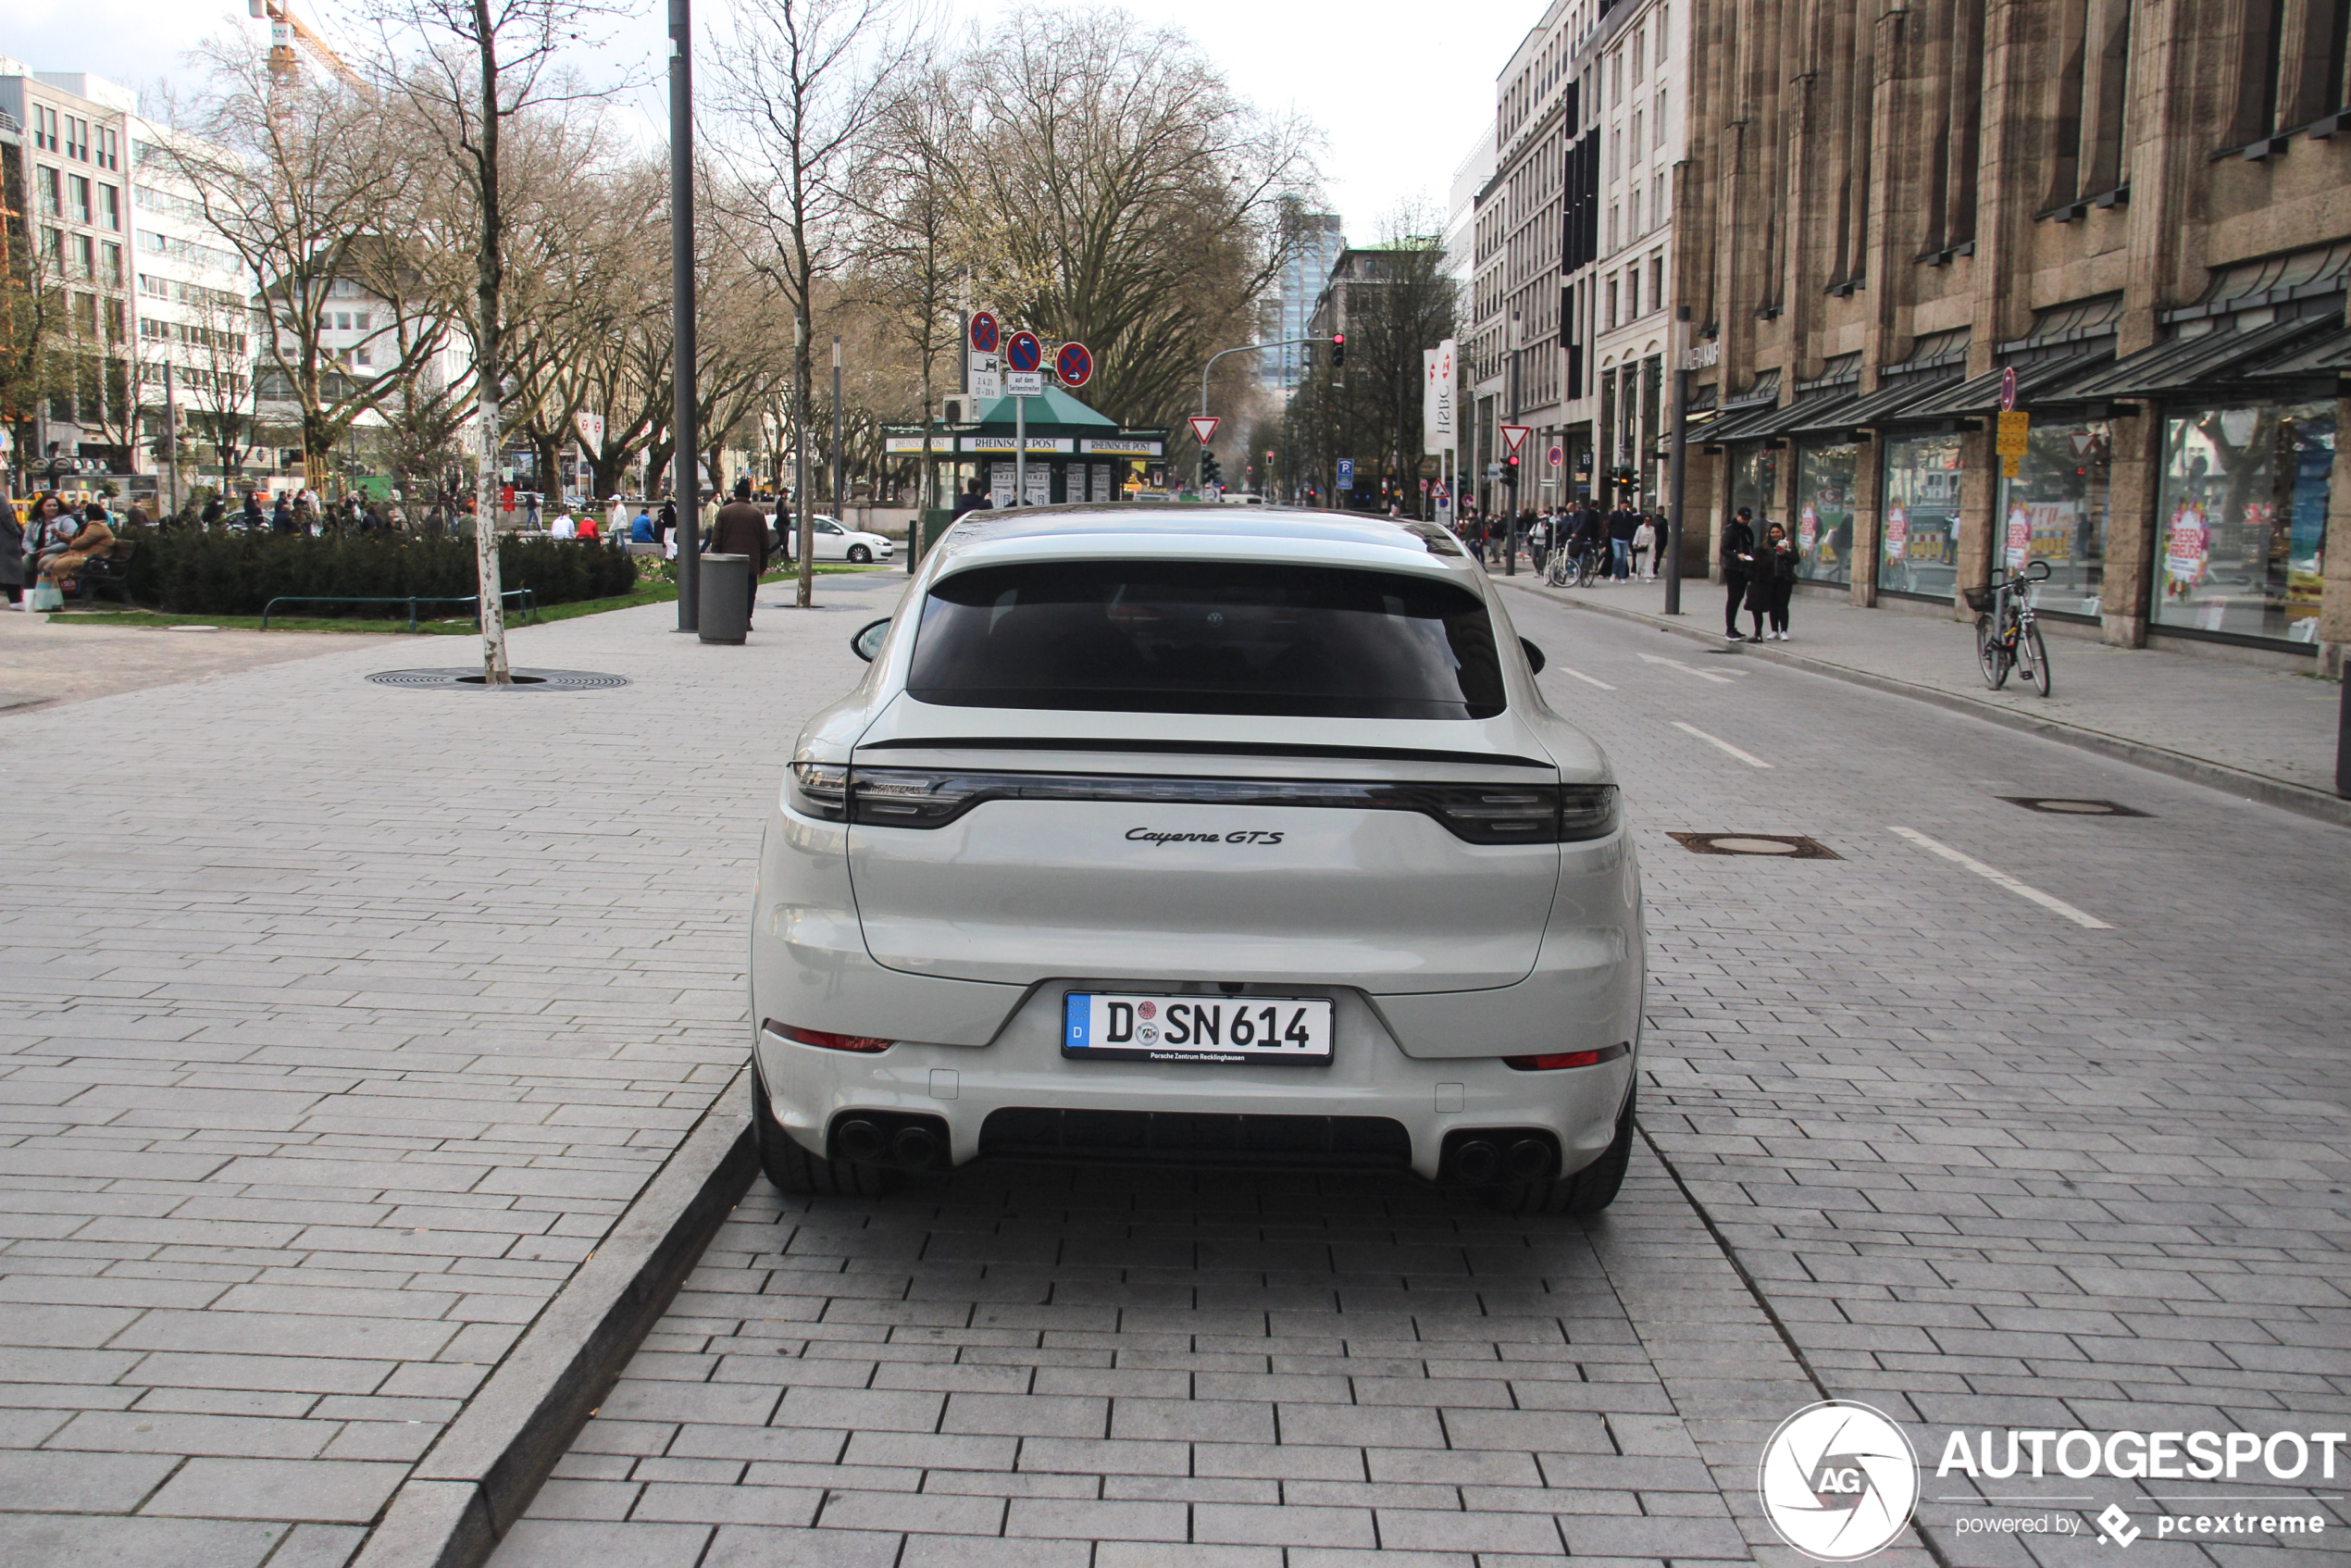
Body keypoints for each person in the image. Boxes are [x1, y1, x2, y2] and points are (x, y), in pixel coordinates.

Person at [711, 478, 771, 628]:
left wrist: (716, 559)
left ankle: (730, 618)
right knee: (749, 592)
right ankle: (746, 619)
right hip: (750, 562)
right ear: (749, 496)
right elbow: (765, 543)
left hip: (728, 561)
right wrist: (763, 566)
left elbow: (716, 539)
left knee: (730, 591)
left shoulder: (724, 512)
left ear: (735, 495)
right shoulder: (757, 514)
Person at [38, 506, 119, 595]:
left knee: (58, 566)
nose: (84, 516)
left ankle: (56, 593)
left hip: (92, 560)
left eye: (86, 514)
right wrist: (59, 534)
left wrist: (72, 542)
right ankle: (52, 592)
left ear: (91, 515)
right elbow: (75, 540)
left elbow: (78, 543)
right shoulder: (90, 525)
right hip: (83, 556)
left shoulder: (97, 527)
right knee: (49, 565)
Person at [1751, 520, 1797, 640]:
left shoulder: (1789, 545)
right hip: (1769, 579)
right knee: (1772, 605)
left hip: (1784, 578)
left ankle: (1784, 630)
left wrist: (1784, 553)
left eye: (1777, 532)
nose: (1775, 534)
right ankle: (1774, 630)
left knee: (1782, 605)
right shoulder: (1765, 547)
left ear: (1782, 532)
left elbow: (1795, 559)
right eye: (1772, 532)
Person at [1722, 507, 1757, 640]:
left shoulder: (1747, 530)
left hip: (1744, 568)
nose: (1746, 520)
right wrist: (1736, 555)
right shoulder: (1730, 529)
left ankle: (1732, 628)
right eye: (1743, 518)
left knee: (1738, 597)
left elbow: (1750, 547)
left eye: (1747, 519)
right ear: (1738, 516)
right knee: (1733, 598)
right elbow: (1724, 549)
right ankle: (1729, 629)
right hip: (1733, 568)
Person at [1607, 498, 1638, 580]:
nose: (1625, 507)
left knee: (1624, 559)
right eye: (1624, 506)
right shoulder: (1615, 514)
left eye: (1626, 506)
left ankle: (1621, 576)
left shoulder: (1629, 515)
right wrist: (1613, 532)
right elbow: (1610, 524)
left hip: (1625, 538)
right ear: (1621, 505)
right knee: (1618, 556)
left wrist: (1629, 535)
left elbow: (1631, 526)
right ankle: (1614, 573)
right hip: (1616, 538)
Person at [1632, 513, 1657, 580]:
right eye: (1646, 520)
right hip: (1641, 546)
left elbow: (1653, 539)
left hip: (1649, 547)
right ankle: (1637, 572)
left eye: (1649, 520)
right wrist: (1635, 543)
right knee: (1640, 561)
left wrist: (1652, 546)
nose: (1647, 522)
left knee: (1649, 561)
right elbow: (1637, 536)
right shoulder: (1640, 528)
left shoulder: (1652, 529)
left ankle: (1647, 575)